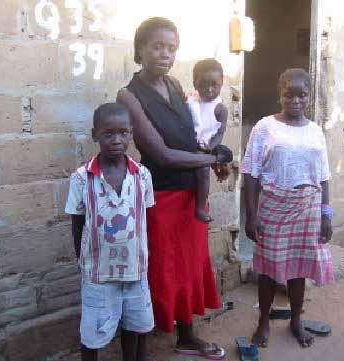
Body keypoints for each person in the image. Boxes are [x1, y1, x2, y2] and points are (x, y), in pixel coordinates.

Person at [117, 17, 233, 360]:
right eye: (157, 46)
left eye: (171, 48)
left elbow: (196, 138)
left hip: (191, 197)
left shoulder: (177, 86)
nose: (165, 54)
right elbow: (161, 154)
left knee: (191, 265)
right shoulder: (129, 95)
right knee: (163, 269)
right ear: (140, 50)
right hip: (162, 196)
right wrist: (209, 160)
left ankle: (186, 336)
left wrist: (215, 159)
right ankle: (142, 345)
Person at [241, 68, 334, 348]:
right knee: (269, 270)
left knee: (298, 269)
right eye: (288, 94)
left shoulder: (315, 130)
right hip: (274, 207)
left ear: (309, 97)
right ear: (279, 95)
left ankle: (296, 320)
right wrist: (251, 214)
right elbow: (250, 171)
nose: (295, 101)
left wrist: (326, 214)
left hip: (308, 208)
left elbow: (324, 174)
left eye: (301, 95)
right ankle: (263, 322)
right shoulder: (265, 127)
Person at [65, 103, 155, 361]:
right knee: (92, 332)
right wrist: (82, 262)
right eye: (108, 134)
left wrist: (145, 257)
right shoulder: (82, 178)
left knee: (135, 325)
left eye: (123, 133)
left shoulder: (142, 176)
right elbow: (77, 223)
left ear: (131, 134)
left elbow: (144, 220)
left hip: (135, 269)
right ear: (95, 135)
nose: (116, 140)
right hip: (98, 272)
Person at [187, 58, 228, 223]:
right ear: (195, 83)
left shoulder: (219, 108)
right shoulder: (190, 101)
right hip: (187, 143)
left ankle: (200, 207)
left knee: (203, 171)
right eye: (204, 84)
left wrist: (210, 148)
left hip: (206, 147)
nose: (209, 89)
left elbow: (220, 133)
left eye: (215, 85)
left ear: (221, 83)